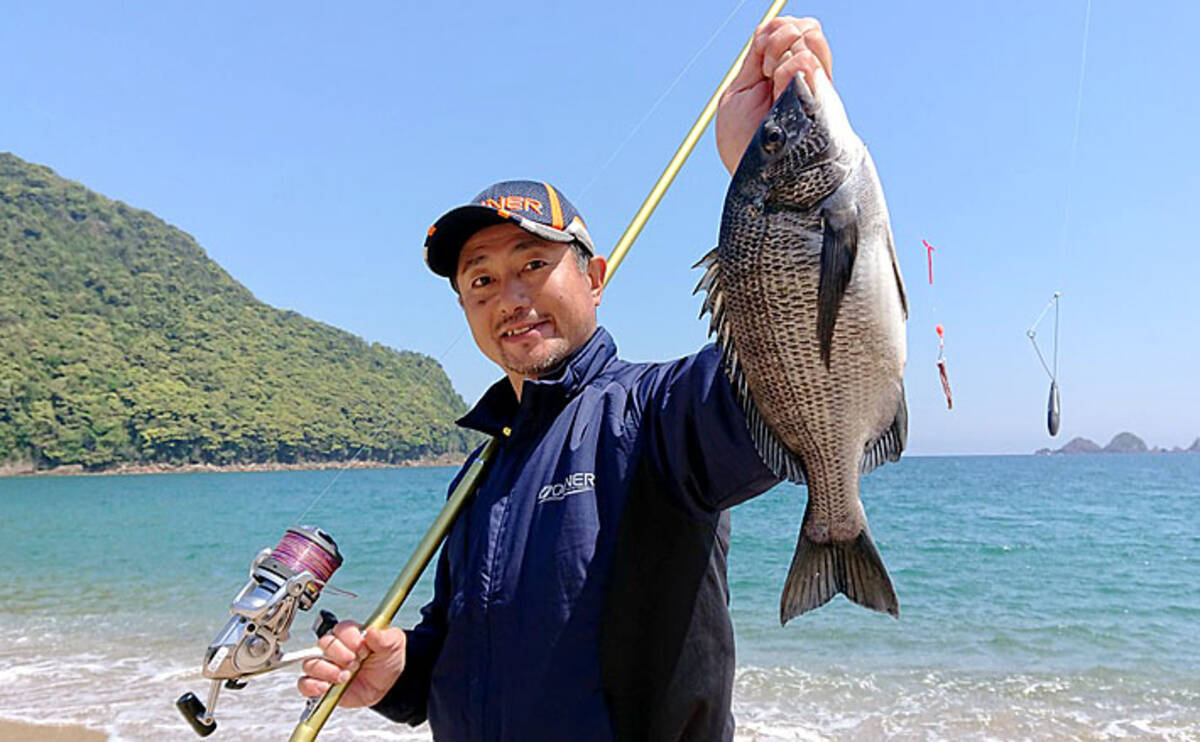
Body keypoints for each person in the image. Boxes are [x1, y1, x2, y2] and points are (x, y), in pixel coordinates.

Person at [298, 16, 835, 741]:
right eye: (480, 280)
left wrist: (772, 173)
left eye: (531, 264)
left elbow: (798, 366)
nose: (509, 298)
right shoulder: (478, 471)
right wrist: (398, 678)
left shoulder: (656, 414)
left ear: (596, 277)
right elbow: (463, 644)